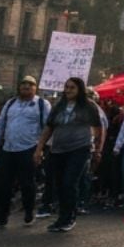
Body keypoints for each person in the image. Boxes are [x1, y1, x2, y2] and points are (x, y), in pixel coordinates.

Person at [35, 77, 103, 233]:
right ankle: (61, 218)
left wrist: (97, 147)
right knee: (59, 184)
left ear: (79, 89)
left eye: (72, 87)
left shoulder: (88, 106)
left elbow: (98, 128)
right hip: (58, 150)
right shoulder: (59, 106)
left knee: (69, 183)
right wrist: (39, 148)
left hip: (79, 149)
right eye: (66, 87)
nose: (68, 90)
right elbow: (48, 128)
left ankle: (69, 218)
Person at [0, 76, 50, 229]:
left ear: (36, 88)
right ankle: (0, 218)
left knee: (27, 184)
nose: (26, 86)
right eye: (23, 84)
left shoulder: (41, 104)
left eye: (30, 84)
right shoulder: (11, 103)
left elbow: (48, 128)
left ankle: (29, 212)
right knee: (3, 185)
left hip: (29, 149)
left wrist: (41, 149)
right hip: (8, 149)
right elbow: (0, 124)